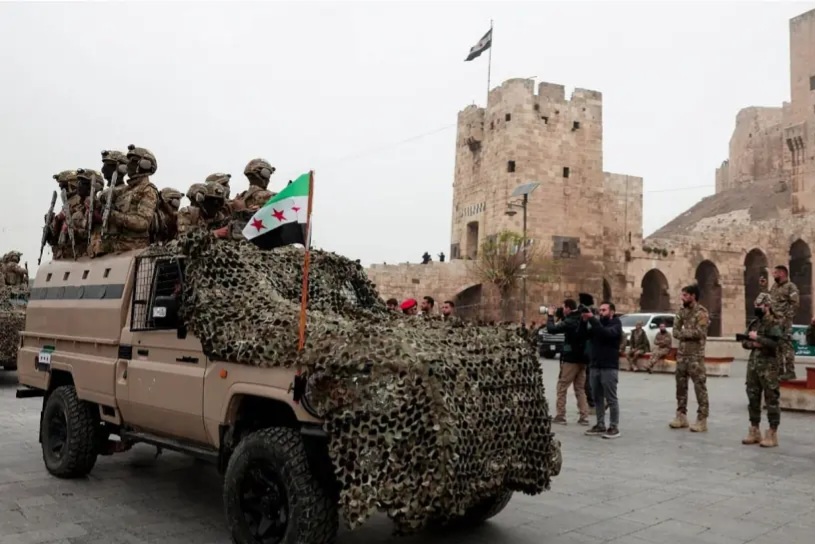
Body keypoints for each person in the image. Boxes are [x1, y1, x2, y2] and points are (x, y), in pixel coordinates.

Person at [100, 144, 160, 254]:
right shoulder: (128, 189)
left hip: (134, 250)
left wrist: (112, 215)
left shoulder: (147, 190)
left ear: (143, 165)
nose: (128, 165)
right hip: (118, 249)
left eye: (132, 161)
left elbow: (142, 223)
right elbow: (106, 196)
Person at [741, 293, 782, 448]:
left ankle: (772, 432)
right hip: (753, 366)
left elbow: (775, 344)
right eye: (755, 306)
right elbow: (744, 341)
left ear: (767, 306)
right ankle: (754, 429)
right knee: (752, 397)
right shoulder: (754, 323)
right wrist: (753, 344)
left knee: (771, 398)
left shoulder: (774, 322)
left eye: (760, 306)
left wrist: (758, 338)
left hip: (769, 367)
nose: (757, 309)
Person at [669, 284, 710, 432]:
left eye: (685, 295)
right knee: (680, 387)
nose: (682, 298)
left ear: (693, 296)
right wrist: (686, 333)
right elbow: (674, 331)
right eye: (682, 295)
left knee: (700, 387)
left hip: (695, 356)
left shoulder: (702, 313)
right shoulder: (681, 312)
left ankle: (702, 418)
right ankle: (681, 415)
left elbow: (700, 333)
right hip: (682, 355)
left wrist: (684, 333)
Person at [546, 299, 590, 426]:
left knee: (562, 387)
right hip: (583, 360)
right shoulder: (582, 318)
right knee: (580, 389)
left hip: (571, 359)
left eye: (563, 307)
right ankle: (584, 417)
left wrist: (550, 315)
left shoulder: (570, 321)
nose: (562, 309)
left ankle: (561, 415)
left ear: (568, 308)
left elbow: (552, 329)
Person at [583, 301, 622, 439]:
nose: (601, 312)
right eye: (599, 310)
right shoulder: (597, 324)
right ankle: (600, 424)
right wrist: (584, 320)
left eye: (604, 310)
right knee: (597, 398)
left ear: (611, 312)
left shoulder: (616, 324)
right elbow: (583, 334)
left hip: (609, 367)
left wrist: (593, 319)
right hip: (595, 366)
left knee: (611, 398)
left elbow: (605, 333)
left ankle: (614, 426)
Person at [769, 265, 799, 381]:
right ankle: (780, 371)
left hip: (784, 322)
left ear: (782, 273)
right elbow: (769, 301)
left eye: (775, 273)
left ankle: (790, 371)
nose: (773, 275)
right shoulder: (774, 287)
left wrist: (786, 318)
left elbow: (795, 304)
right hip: (774, 322)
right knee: (777, 347)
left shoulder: (791, 287)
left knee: (786, 346)